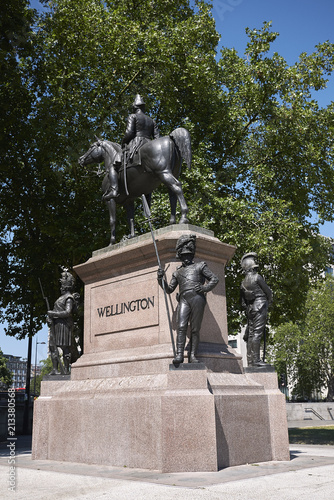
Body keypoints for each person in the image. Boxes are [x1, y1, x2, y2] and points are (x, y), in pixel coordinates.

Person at [157, 234, 219, 364]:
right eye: (184, 255)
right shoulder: (177, 272)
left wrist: (205, 288)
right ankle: (179, 355)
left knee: (195, 329)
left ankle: (192, 355)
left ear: (192, 255)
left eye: (188, 255)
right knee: (181, 326)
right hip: (184, 299)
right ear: (180, 256)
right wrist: (160, 279)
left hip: (197, 298)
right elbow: (169, 290)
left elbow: (214, 279)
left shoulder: (200, 266)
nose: (186, 258)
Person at [103, 94, 160, 201]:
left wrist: (123, 142)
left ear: (135, 107)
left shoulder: (132, 116)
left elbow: (129, 133)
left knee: (113, 166)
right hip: (149, 145)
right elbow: (157, 137)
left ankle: (114, 190)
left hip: (136, 143)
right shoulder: (152, 120)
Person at [240, 253, 273, 367]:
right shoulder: (257, 277)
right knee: (257, 334)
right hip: (260, 305)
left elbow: (243, 302)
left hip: (250, 309)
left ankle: (250, 361)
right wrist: (269, 300)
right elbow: (268, 292)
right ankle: (256, 360)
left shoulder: (243, 283)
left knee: (251, 334)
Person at [47, 269, 79, 375]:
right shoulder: (60, 298)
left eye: (62, 284)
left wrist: (53, 314)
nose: (60, 286)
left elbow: (68, 312)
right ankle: (55, 369)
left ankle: (65, 370)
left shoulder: (69, 298)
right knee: (52, 347)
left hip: (64, 325)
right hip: (56, 325)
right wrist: (49, 318)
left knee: (65, 348)